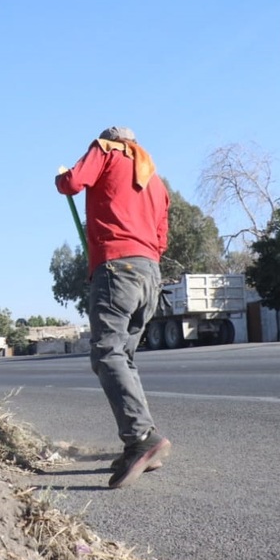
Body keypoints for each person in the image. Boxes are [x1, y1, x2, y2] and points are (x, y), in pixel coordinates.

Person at [56, 125, 172, 489]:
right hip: (149, 272)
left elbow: (72, 183)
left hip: (116, 266)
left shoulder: (105, 150)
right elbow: (162, 239)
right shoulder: (154, 178)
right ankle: (141, 441)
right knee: (124, 357)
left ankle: (140, 438)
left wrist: (61, 176)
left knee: (107, 354)